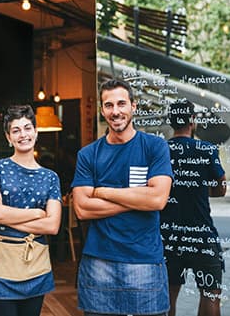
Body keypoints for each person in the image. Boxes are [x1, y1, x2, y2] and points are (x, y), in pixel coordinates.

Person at [71, 78, 173, 316]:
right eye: (108, 105)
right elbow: (83, 209)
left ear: (133, 106)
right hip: (99, 262)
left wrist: (103, 192)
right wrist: (139, 201)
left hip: (144, 261)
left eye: (121, 104)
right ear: (102, 110)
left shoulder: (155, 147)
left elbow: (158, 200)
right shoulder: (88, 154)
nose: (115, 111)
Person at [0, 104, 62, 316]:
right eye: (16, 130)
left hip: (35, 262)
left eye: (27, 128)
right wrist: (37, 213)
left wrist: (6, 214)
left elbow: (52, 226)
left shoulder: (50, 177)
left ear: (36, 132)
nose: (22, 134)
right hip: (1, 260)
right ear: (8, 137)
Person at [160, 100, 227, 316]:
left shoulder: (161, 150)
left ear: (171, 123)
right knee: (210, 294)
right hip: (201, 234)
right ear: (192, 121)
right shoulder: (206, 149)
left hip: (167, 234)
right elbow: (221, 188)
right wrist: (199, 189)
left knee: (167, 296)